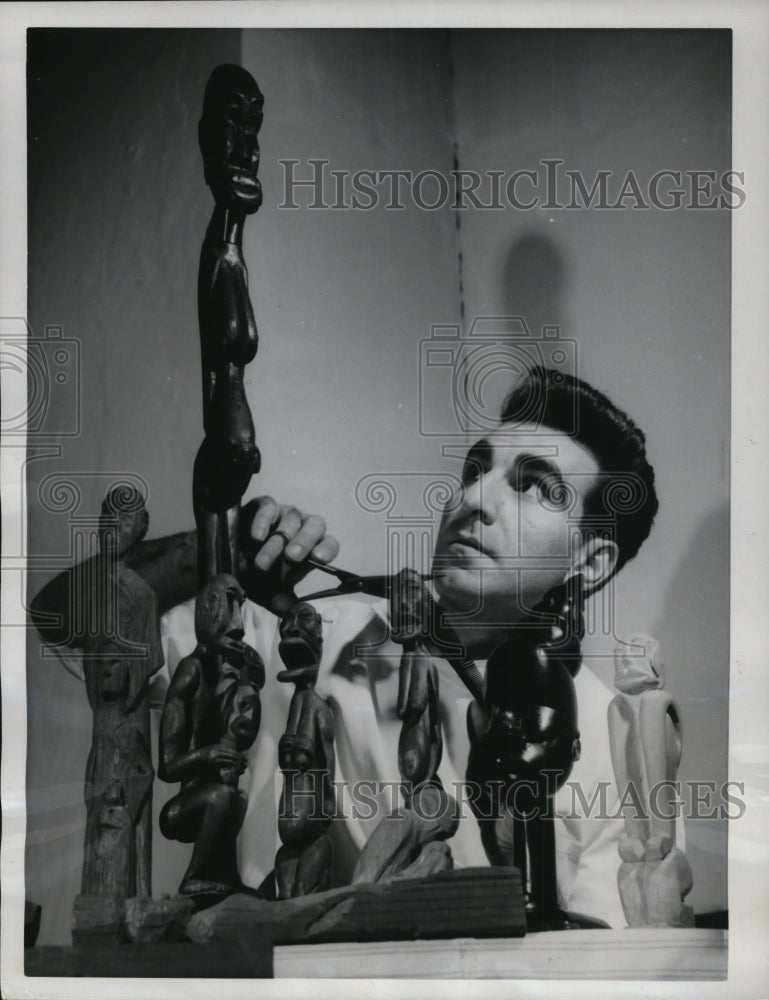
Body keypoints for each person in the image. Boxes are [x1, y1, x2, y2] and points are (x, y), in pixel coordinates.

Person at [32, 366, 658, 927]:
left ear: (590, 560)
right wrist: (213, 553)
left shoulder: (612, 737)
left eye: (532, 487)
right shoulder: (311, 635)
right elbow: (60, 615)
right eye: (475, 470)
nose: (475, 500)